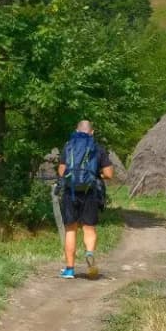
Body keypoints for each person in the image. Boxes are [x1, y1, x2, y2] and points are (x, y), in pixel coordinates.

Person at [56, 119, 112, 278]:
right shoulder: (98, 148)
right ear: (91, 132)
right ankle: (89, 252)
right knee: (89, 228)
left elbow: (61, 172)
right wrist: (96, 175)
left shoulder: (68, 146)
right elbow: (109, 174)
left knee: (71, 229)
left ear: (76, 130)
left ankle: (69, 269)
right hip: (90, 192)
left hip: (70, 192)